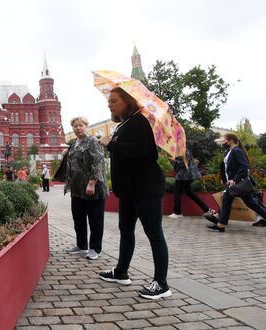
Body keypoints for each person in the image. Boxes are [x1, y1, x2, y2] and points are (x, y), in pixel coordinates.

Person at [98, 87, 171, 300]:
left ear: (127, 101)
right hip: (129, 191)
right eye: (109, 101)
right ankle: (121, 272)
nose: (109, 104)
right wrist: (113, 141)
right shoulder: (124, 124)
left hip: (145, 188)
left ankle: (162, 283)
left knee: (154, 234)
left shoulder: (139, 122)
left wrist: (111, 143)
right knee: (126, 230)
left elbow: (141, 152)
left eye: (113, 100)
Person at [64, 116, 109, 260]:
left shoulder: (93, 142)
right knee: (78, 218)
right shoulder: (73, 143)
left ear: (86, 126)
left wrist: (92, 182)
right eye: (75, 126)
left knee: (95, 219)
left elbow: (98, 163)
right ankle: (81, 245)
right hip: (77, 189)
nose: (78, 128)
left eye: (81, 125)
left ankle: (95, 248)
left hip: (92, 189)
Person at [203, 133, 266, 232]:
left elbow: (244, 166)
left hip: (237, 183)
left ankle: (221, 225)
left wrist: (234, 179)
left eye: (225, 140)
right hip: (233, 183)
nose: (224, 142)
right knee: (229, 201)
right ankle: (221, 225)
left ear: (231, 140)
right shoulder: (231, 151)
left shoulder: (236, 151)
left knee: (250, 203)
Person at [167, 149, 213, 219]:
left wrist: (174, 161)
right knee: (189, 192)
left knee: (177, 192)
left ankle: (177, 212)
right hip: (186, 175)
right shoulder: (182, 150)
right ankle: (207, 209)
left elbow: (185, 164)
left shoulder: (183, 151)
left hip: (184, 175)